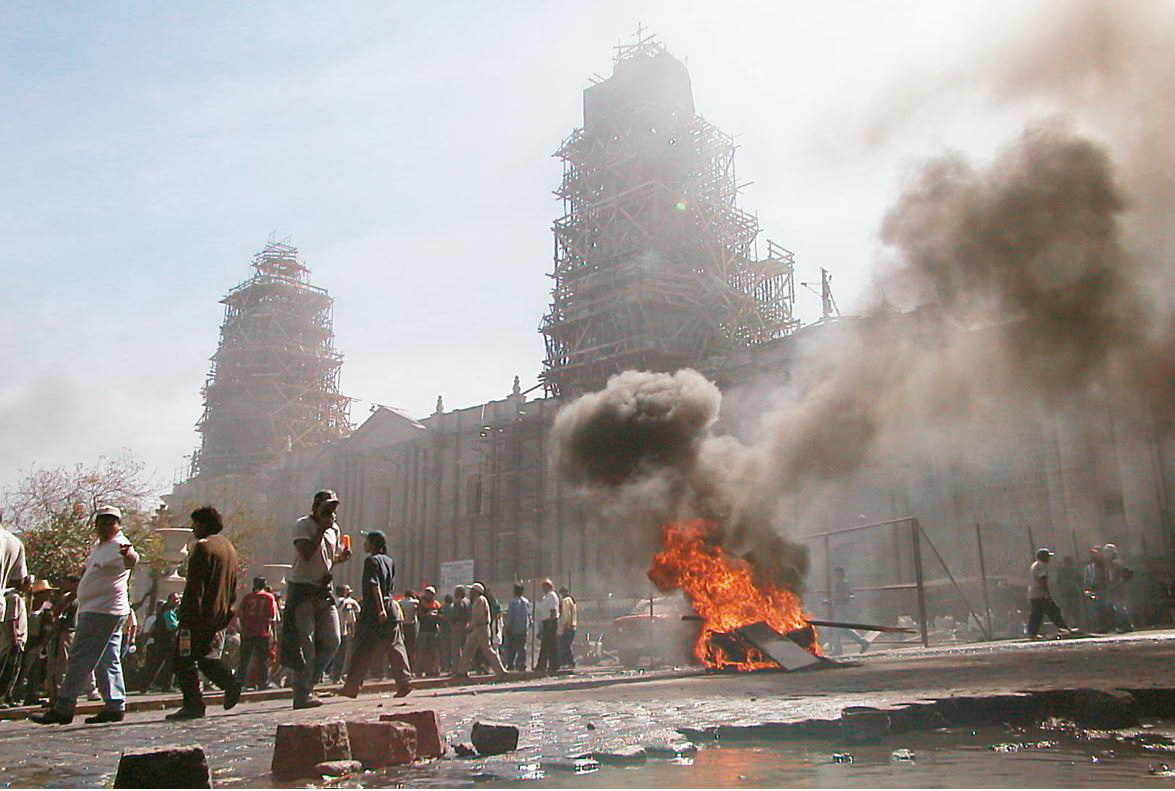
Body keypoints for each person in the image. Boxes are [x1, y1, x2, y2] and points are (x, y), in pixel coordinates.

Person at [32, 505, 139, 725]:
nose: (107, 525)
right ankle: (115, 705)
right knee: (108, 659)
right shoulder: (101, 547)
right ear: (96, 525)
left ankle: (63, 707)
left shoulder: (119, 544)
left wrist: (129, 554)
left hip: (102, 611)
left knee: (80, 658)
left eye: (112, 522)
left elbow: (131, 559)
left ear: (118, 525)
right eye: (102, 522)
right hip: (102, 610)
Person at [166, 505, 242, 720]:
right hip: (219, 614)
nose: (193, 529)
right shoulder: (229, 548)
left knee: (182, 658)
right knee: (202, 653)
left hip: (198, 615)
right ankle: (229, 682)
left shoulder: (203, 547)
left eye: (196, 524)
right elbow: (233, 586)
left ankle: (194, 703)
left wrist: (186, 617)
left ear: (204, 524)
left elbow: (194, 587)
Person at [280, 489, 352, 709]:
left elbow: (326, 559)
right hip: (302, 589)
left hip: (323, 589)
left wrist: (341, 558)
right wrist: (321, 527)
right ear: (315, 507)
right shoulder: (302, 525)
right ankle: (301, 693)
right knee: (306, 644)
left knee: (333, 640)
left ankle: (308, 683)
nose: (332, 512)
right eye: (327, 508)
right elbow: (306, 553)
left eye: (334, 508)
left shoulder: (335, 530)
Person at [339, 530, 412, 698]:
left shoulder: (371, 561)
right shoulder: (389, 561)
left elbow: (375, 586)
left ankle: (352, 687)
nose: (364, 544)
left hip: (375, 611)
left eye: (367, 541)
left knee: (362, 649)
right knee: (395, 647)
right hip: (391, 608)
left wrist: (380, 609)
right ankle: (404, 682)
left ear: (373, 544)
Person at [454, 582, 508, 678]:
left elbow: (478, 616)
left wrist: (470, 626)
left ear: (476, 591)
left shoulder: (480, 600)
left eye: (472, 590)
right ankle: (462, 671)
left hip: (482, 628)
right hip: (477, 628)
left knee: (488, 650)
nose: (470, 592)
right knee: (468, 649)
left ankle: (501, 671)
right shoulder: (476, 600)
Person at [236, 577, 277, 689]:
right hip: (262, 631)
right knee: (262, 659)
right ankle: (263, 682)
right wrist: (273, 635)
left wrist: (242, 629)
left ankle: (240, 682)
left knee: (244, 658)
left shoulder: (247, 597)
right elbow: (272, 617)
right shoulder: (269, 597)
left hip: (248, 631)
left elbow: (239, 614)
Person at [1026, 548, 1072, 639]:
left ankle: (1032, 634)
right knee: (1054, 611)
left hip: (1033, 593)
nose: (1049, 559)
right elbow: (1043, 579)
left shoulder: (1035, 565)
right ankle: (1064, 629)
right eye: (1047, 557)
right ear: (1043, 557)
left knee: (1036, 614)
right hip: (1040, 593)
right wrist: (1047, 593)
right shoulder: (1041, 565)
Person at [140, 595, 179, 692]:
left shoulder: (163, 611)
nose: (177, 601)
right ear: (169, 600)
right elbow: (171, 626)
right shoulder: (168, 612)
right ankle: (167, 686)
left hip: (160, 641)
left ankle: (144, 686)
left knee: (155, 664)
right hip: (167, 641)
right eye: (175, 599)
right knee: (169, 664)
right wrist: (179, 623)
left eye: (177, 599)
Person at [828, 567, 871, 655]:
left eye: (836, 573)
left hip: (841, 606)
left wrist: (830, 600)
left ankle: (840, 649)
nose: (834, 575)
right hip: (842, 606)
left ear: (840, 573)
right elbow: (850, 594)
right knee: (842, 628)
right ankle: (860, 642)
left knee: (839, 628)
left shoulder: (841, 583)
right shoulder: (843, 583)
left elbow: (841, 595)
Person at [0, 580, 28, 705]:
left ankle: (8, 696)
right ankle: (1, 697)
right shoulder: (13, 598)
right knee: (7, 669)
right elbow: (11, 619)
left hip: (19, 640)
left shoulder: (20, 597)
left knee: (15, 669)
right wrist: (14, 639)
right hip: (12, 640)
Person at [1101, 543, 1134, 632]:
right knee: (1117, 606)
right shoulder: (1110, 563)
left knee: (1119, 606)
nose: (1106, 555)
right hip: (1115, 586)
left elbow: (1119, 575)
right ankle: (1126, 625)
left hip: (1118, 586)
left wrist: (1116, 585)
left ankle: (1124, 625)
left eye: (1108, 552)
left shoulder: (1116, 563)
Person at [330, 585, 359, 682]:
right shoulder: (348, 603)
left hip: (329, 630)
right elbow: (351, 620)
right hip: (342, 632)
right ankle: (336, 677)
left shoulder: (330, 600)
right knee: (340, 656)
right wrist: (353, 632)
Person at [1083, 546, 1112, 632]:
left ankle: (1105, 626)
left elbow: (1106, 576)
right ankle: (1100, 626)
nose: (1093, 556)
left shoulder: (1103, 564)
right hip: (1094, 588)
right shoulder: (1090, 566)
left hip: (1102, 588)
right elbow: (1088, 578)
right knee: (1097, 608)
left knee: (1102, 607)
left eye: (1095, 554)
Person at [503, 584, 531, 671]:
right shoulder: (526, 602)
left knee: (512, 648)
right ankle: (522, 664)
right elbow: (529, 615)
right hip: (523, 629)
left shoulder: (513, 602)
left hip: (513, 629)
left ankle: (511, 665)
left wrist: (507, 627)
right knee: (522, 648)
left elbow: (511, 616)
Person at [414, 586, 442, 676]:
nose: (428, 594)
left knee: (433, 652)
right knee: (421, 651)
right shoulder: (421, 603)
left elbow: (442, 616)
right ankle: (418, 671)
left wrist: (436, 615)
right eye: (427, 592)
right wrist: (427, 615)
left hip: (433, 631)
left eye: (430, 593)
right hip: (424, 631)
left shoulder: (437, 604)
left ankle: (432, 670)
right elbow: (418, 615)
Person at [534, 579, 560, 673]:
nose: (543, 588)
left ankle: (542, 665)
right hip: (547, 622)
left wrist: (549, 624)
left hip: (550, 622)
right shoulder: (547, 597)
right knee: (551, 645)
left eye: (545, 586)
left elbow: (553, 610)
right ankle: (554, 664)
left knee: (545, 645)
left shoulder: (551, 596)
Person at [449, 586, 470, 672]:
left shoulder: (458, 603)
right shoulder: (468, 601)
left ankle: (456, 668)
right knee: (465, 648)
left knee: (456, 649)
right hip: (466, 626)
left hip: (458, 626)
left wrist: (452, 622)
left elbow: (454, 615)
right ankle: (464, 667)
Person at [557, 587, 577, 670]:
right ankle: (566, 662)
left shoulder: (565, 601)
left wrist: (565, 625)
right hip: (573, 626)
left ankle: (570, 662)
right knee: (566, 645)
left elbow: (567, 615)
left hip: (567, 627)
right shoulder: (572, 600)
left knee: (564, 646)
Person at [400, 589, 419, 661]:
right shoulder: (415, 602)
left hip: (402, 625)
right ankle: (411, 662)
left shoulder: (400, 602)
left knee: (403, 645)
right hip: (412, 626)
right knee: (411, 646)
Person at [439, 593, 455, 672]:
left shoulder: (442, 608)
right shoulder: (453, 608)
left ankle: (446, 666)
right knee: (453, 649)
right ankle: (452, 666)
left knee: (445, 650)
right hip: (452, 631)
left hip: (443, 631)